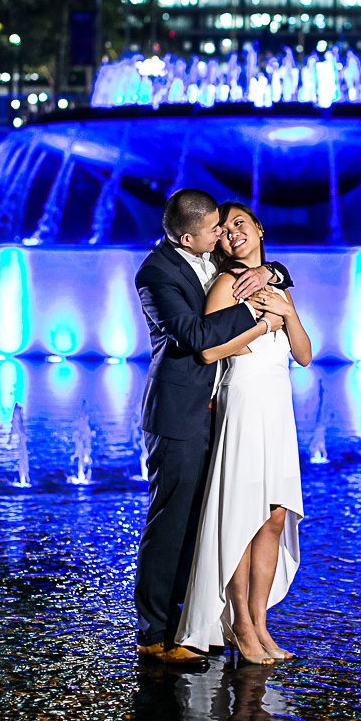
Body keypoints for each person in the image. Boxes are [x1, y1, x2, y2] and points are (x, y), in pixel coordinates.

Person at [134, 188, 294, 663]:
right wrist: (262, 313)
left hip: (222, 413)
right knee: (171, 524)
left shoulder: (216, 264)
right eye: (215, 230)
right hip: (180, 415)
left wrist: (272, 274)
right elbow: (198, 337)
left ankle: (198, 622)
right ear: (188, 235)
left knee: (210, 521)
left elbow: (266, 267)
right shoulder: (156, 273)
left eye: (227, 227)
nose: (223, 235)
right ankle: (155, 633)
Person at [176, 202, 311, 665]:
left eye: (241, 224)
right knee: (242, 517)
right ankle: (239, 623)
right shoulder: (225, 285)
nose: (234, 233)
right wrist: (261, 324)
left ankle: (260, 623)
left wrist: (285, 314)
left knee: (274, 516)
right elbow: (210, 352)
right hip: (244, 400)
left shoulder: (277, 283)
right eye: (225, 229)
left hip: (278, 405)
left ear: (258, 227)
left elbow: (305, 354)